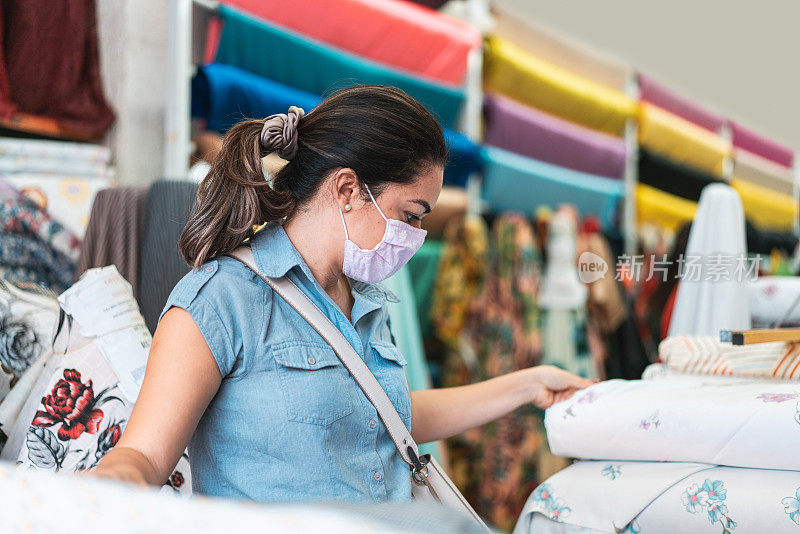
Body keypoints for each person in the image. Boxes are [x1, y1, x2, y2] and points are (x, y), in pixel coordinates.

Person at [94, 85, 593, 502]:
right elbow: (146, 456)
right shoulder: (220, 300)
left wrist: (527, 386)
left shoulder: (367, 300)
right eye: (412, 215)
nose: (416, 236)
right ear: (348, 190)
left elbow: (383, 414)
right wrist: (91, 495)